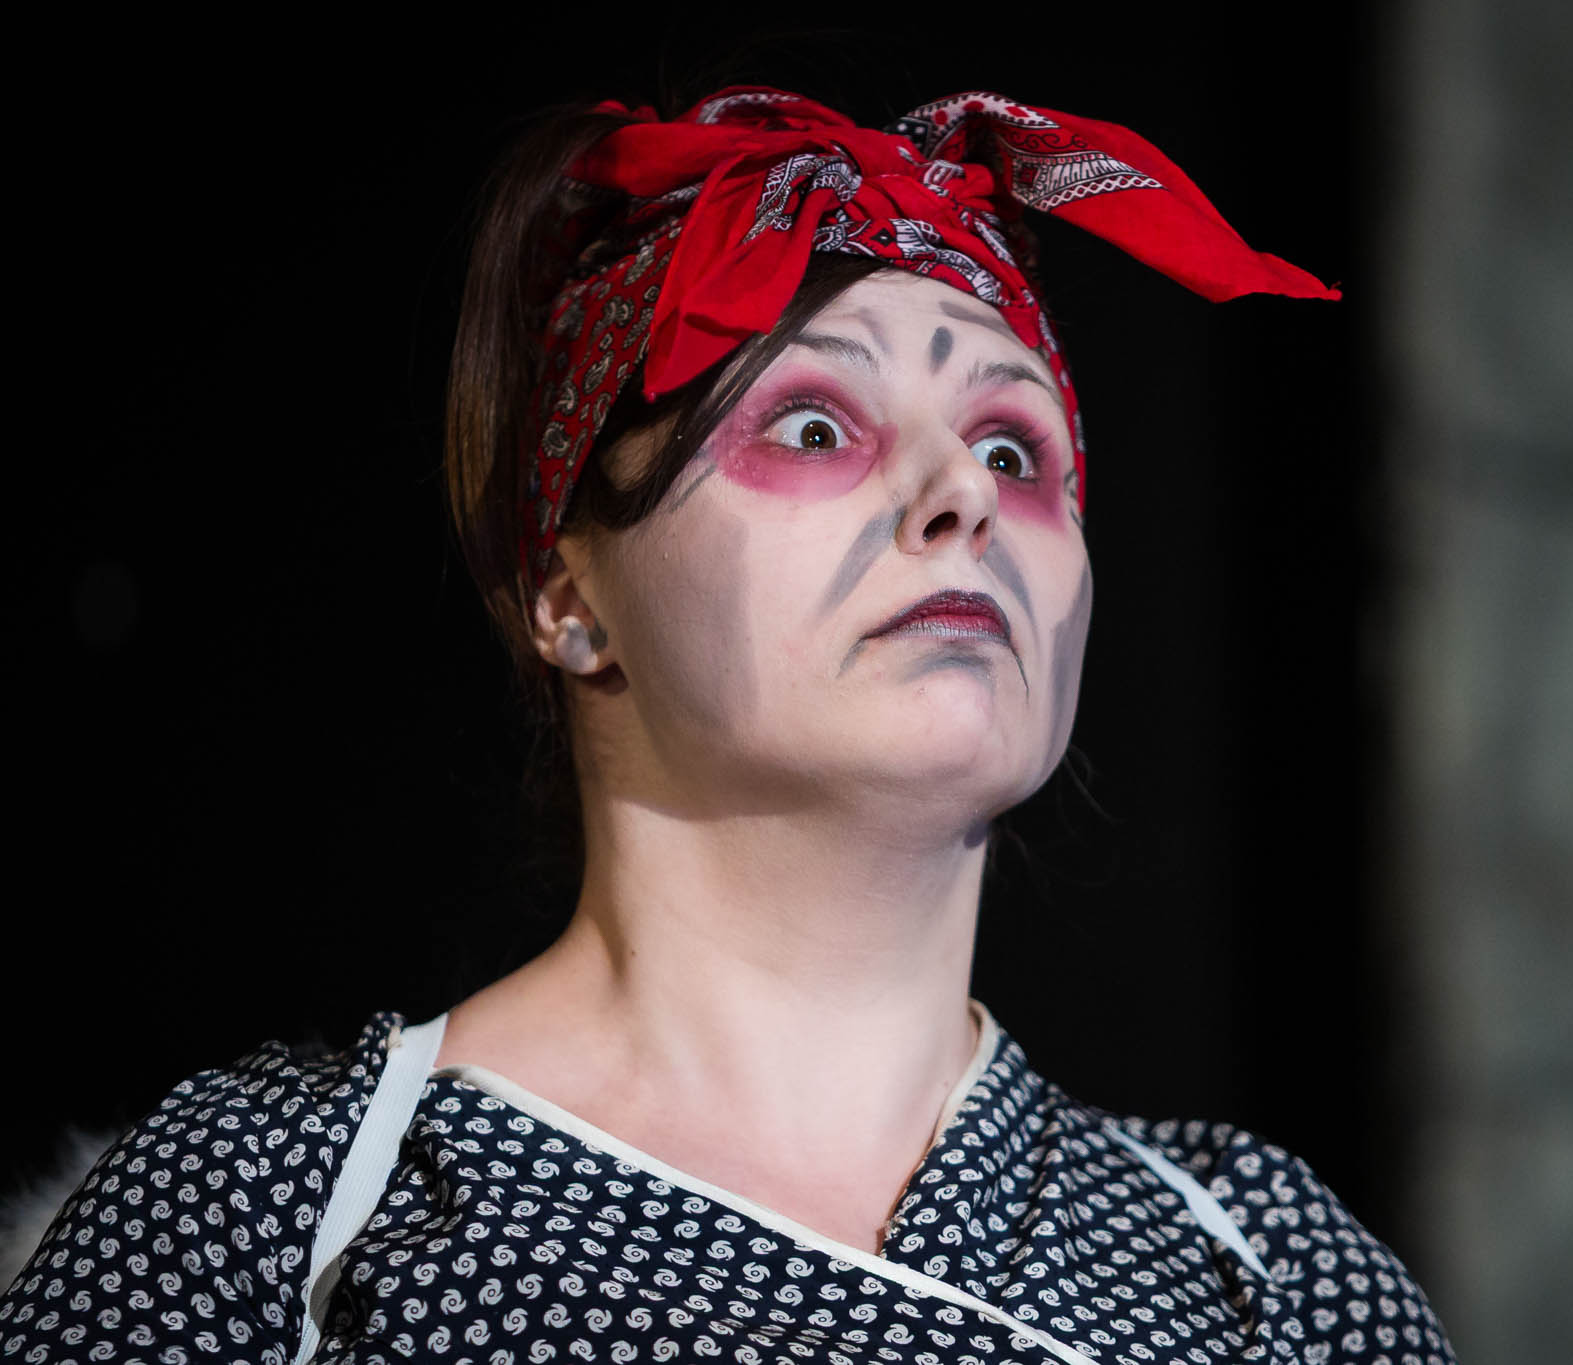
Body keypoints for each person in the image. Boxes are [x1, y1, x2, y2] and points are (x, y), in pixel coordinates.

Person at [0, 84, 1457, 1365]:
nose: (962, 497)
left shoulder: (1271, 1275)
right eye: (816, 424)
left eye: (1017, 448)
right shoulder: (269, 1210)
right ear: (569, 596)